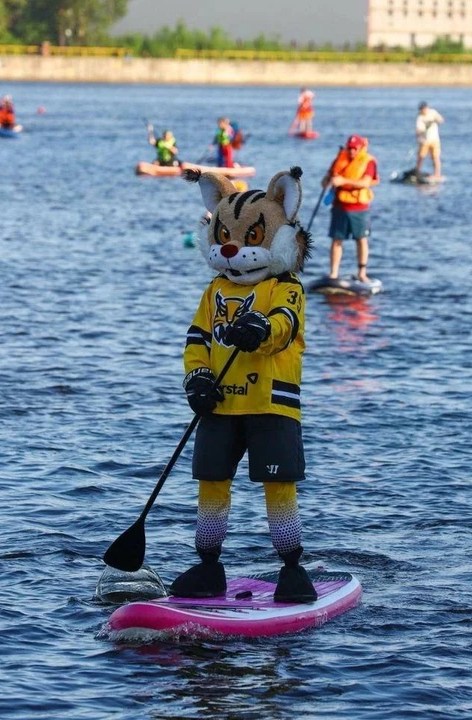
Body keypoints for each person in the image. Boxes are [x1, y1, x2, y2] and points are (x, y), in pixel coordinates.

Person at [173, 167, 316, 604]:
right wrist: (196, 379)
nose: (232, 249)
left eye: (249, 239)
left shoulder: (285, 288)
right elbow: (197, 340)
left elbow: (284, 327)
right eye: (224, 239)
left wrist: (259, 330)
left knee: (279, 485)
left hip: (271, 404)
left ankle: (291, 567)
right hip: (218, 406)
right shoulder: (215, 290)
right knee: (211, 482)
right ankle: (208, 565)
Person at [321, 135, 378, 283]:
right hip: (339, 206)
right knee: (336, 240)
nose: (352, 151)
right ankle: (333, 274)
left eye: (355, 149)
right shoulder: (339, 159)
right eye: (350, 148)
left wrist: (343, 181)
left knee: (361, 239)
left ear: (360, 148)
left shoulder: (368, 162)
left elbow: (366, 183)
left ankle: (362, 273)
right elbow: (326, 180)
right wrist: (328, 180)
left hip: (359, 208)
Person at [414, 101, 444, 179]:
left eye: (424, 108)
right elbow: (418, 130)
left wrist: (435, 120)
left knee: (435, 157)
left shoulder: (433, 112)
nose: (423, 110)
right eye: (421, 109)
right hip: (424, 141)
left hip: (434, 140)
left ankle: (437, 174)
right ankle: (417, 172)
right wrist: (424, 128)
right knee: (421, 156)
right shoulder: (420, 117)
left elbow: (441, 120)